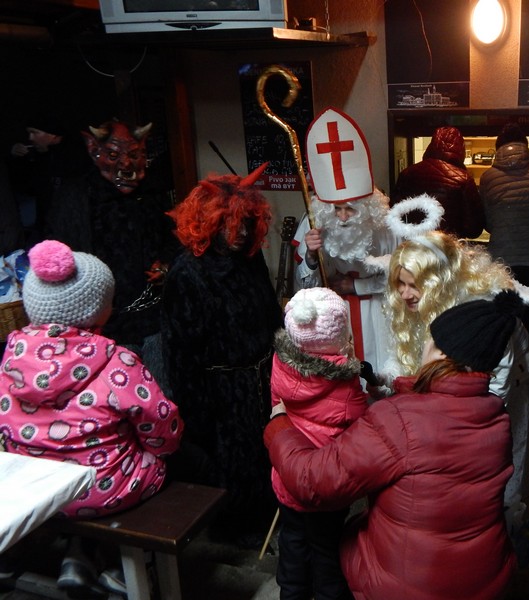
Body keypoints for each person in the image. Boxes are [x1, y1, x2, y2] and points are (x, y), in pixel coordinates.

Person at [263, 291, 527, 600]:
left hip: (410, 587)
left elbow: (313, 481)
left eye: (430, 339)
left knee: (339, 541)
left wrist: (278, 425)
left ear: (441, 354)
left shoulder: (398, 420)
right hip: (486, 579)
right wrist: (400, 389)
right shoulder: (497, 417)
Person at [0, 239, 183, 596]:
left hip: (38, 488)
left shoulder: (12, 354)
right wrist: (160, 451)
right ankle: (123, 567)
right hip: (100, 490)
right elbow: (161, 420)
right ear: (99, 309)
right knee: (161, 461)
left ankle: (75, 553)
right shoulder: (115, 359)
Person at [380, 221, 529, 510]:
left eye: (413, 285)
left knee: (493, 486)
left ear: (439, 282)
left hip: (485, 415)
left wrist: (450, 430)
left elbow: (495, 395)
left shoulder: (483, 318)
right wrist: (387, 378)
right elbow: (405, 354)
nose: (404, 294)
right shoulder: (417, 304)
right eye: (399, 284)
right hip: (446, 415)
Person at [159, 164, 284, 549]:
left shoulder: (250, 258)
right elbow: (179, 351)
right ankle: (234, 531)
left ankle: (267, 515)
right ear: (209, 222)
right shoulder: (187, 273)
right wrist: (195, 411)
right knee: (230, 464)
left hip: (262, 378)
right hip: (218, 391)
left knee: (266, 450)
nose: (241, 232)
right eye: (231, 223)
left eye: (247, 222)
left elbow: (270, 314)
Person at [45, 119, 178, 363]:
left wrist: (165, 265)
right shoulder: (76, 197)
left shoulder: (152, 192)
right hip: (104, 319)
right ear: (94, 151)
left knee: (158, 378)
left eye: (134, 155)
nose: (126, 163)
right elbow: (64, 252)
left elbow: (172, 238)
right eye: (114, 155)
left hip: (153, 314)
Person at [270, 287, 368, 600]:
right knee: (327, 549)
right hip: (326, 484)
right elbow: (359, 423)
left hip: (288, 476)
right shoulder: (345, 382)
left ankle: (292, 593)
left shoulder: (280, 364)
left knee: (292, 541)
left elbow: (276, 406)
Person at [294, 108, 403, 374]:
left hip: (380, 312)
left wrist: (358, 285)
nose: (342, 217)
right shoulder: (313, 223)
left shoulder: (386, 225)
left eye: (350, 210)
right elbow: (304, 288)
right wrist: (311, 257)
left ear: (365, 208)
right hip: (333, 316)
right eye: (336, 210)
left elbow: (404, 278)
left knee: (381, 375)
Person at [480, 122, 529, 390]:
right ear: (526, 144)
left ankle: (503, 395)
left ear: (498, 147)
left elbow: (489, 222)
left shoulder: (488, 177)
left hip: (503, 264)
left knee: (504, 331)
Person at [6, 116, 92, 247]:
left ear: (53, 134)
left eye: (35, 132)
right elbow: (26, 188)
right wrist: (17, 160)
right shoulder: (37, 157)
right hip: (46, 229)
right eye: (29, 133)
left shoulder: (77, 158)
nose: (30, 138)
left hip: (74, 229)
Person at [390, 126, 486, 239]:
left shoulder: (407, 173)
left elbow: (395, 212)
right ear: (461, 150)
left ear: (431, 146)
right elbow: (474, 229)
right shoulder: (464, 179)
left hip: (414, 242)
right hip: (448, 245)